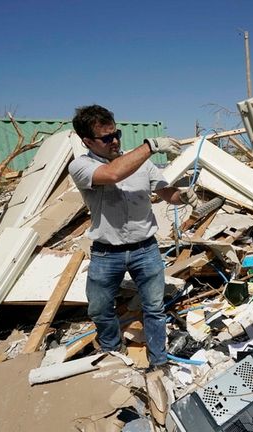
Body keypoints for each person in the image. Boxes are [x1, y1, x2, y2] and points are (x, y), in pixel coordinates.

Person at [68, 105, 198, 370]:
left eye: (117, 134)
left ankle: (159, 362)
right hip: (107, 253)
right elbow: (114, 174)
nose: (114, 140)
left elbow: (166, 194)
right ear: (88, 142)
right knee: (100, 310)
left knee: (154, 308)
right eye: (106, 138)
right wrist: (151, 145)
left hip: (145, 250)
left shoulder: (143, 164)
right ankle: (114, 354)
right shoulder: (81, 166)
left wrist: (183, 195)